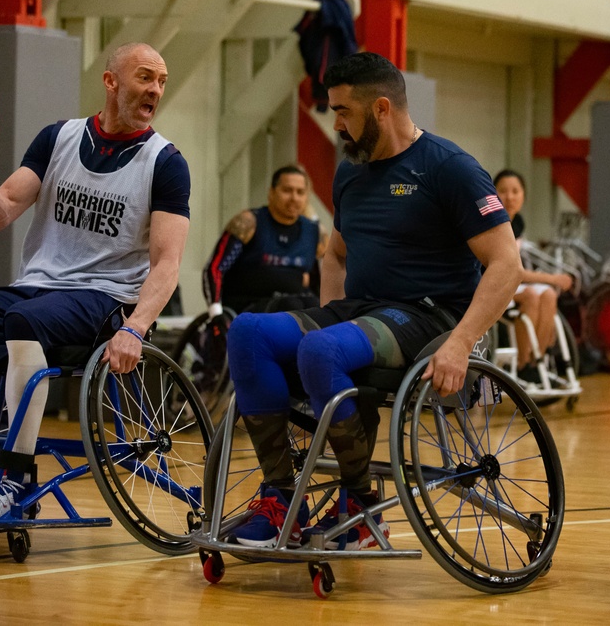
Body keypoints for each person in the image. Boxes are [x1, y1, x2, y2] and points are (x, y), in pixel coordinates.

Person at [224, 51, 522, 549]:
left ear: (382, 109)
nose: (336, 123)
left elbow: (506, 264)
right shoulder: (350, 174)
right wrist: (329, 320)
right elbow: (335, 256)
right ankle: (281, 501)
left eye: (344, 112)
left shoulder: (449, 169)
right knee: (248, 333)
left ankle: (361, 509)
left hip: (428, 318)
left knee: (323, 350)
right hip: (362, 310)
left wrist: (460, 343)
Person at [0, 42, 191, 519]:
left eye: (161, 81)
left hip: (104, 298)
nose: (155, 90)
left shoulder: (165, 163)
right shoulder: (58, 138)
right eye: (145, 77)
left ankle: (15, 477)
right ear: (111, 82)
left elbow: (168, 262)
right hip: (38, 289)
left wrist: (136, 328)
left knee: (25, 320)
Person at [201, 164, 326, 317]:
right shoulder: (248, 222)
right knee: (291, 306)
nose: (294, 198)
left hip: (294, 305)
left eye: (300, 192)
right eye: (287, 190)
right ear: (271, 193)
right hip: (248, 307)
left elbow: (321, 280)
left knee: (315, 306)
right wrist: (215, 313)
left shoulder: (315, 231)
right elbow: (214, 269)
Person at [493, 170, 573, 376]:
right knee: (530, 295)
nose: (509, 197)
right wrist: (553, 278)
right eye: (503, 191)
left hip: (509, 283)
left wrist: (550, 283)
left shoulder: (517, 223)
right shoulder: (492, 222)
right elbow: (513, 271)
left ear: (523, 196)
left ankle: (538, 362)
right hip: (488, 286)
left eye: (515, 191)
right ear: (492, 193)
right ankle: (522, 365)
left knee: (548, 294)